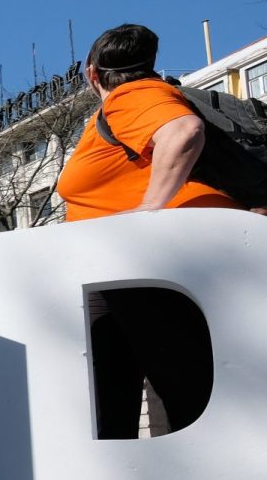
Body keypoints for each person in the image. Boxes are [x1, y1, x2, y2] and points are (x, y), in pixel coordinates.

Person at [55, 24, 242, 440]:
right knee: (112, 375)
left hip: (147, 264)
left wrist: (149, 211)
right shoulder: (131, 105)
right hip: (120, 272)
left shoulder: (132, 96)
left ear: (92, 74)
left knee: (180, 379)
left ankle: (211, 466)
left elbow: (183, 132)